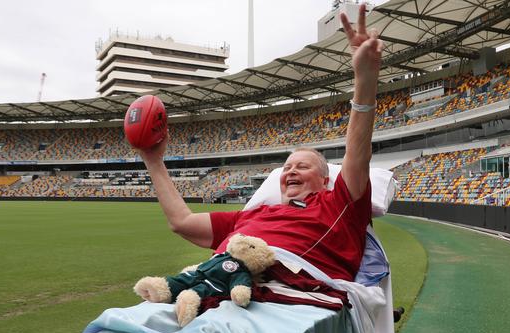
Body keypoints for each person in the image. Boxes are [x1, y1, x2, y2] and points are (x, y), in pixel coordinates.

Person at [140, 4, 383, 281]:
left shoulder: (337, 204)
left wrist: (365, 79)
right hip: (215, 289)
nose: (290, 171)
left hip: (279, 297)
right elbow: (182, 222)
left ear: (326, 181)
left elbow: (357, 155)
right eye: (287, 167)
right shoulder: (250, 216)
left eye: (302, 166)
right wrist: (153, 160)